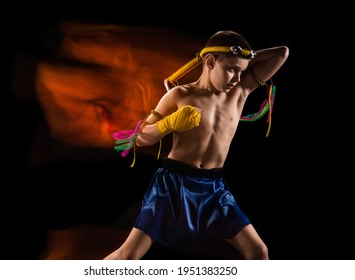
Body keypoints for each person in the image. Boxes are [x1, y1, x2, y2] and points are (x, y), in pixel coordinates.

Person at [104, 30, 289, 260]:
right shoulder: (180, 95)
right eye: (231, 69)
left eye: (242, 71)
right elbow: (140, 139)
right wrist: (168, 124)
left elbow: (282, 53)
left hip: (214, 188)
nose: (238, 78)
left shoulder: (240, 92)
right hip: (173, 184)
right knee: (128, 255)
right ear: (210, 61)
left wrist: (243, 57)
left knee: (259, 252)